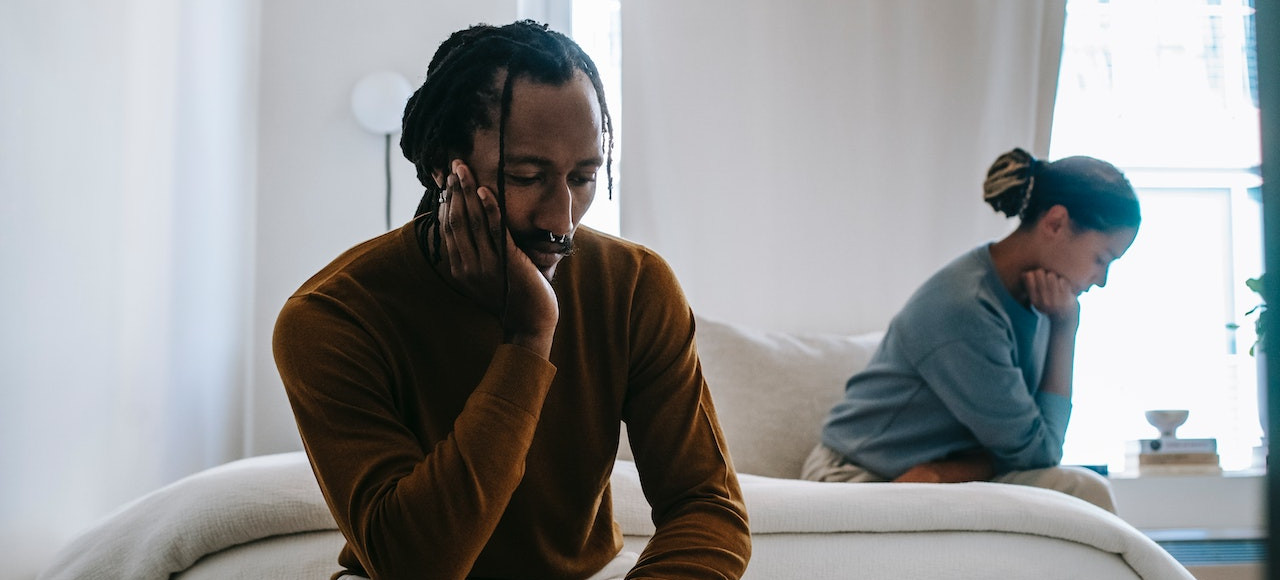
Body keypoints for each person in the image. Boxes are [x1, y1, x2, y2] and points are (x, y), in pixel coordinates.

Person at [273, 21, 750, 580]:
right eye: (526, 176)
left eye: (583, 177)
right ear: (444, 166)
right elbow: (415, 567)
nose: (561, 219)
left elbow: (707, 506)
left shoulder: (635, 286)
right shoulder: (331, 318)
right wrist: (529, 335)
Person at [802, 148, 1141, 512]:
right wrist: (1065, 330)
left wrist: (953, 471)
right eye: (1101, 259)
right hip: (859, 478)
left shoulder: (1043, 299)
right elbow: (1037, 453)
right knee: (1077, 489)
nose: (1101, 280)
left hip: (932, 476)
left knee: (1079, 491)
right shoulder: (966, 307)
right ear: (1055, 223)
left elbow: (1036, 452)